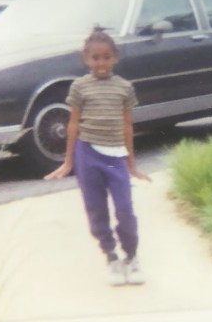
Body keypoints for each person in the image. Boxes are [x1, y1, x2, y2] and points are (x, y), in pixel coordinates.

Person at [45, 28, 151, 286]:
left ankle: (132, 256)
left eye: (105, 57)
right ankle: (112, 257)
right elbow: (73, 125)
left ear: (114, 58)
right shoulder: (80, 87)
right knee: (96, 210)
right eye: (95, 58)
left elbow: (127, 126)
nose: (100, 63)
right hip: (87, 154)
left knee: (125, 209)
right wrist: (69, 162)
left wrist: (132, 165)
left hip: (116, 156)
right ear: (86, 59)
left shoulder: (124, 88)